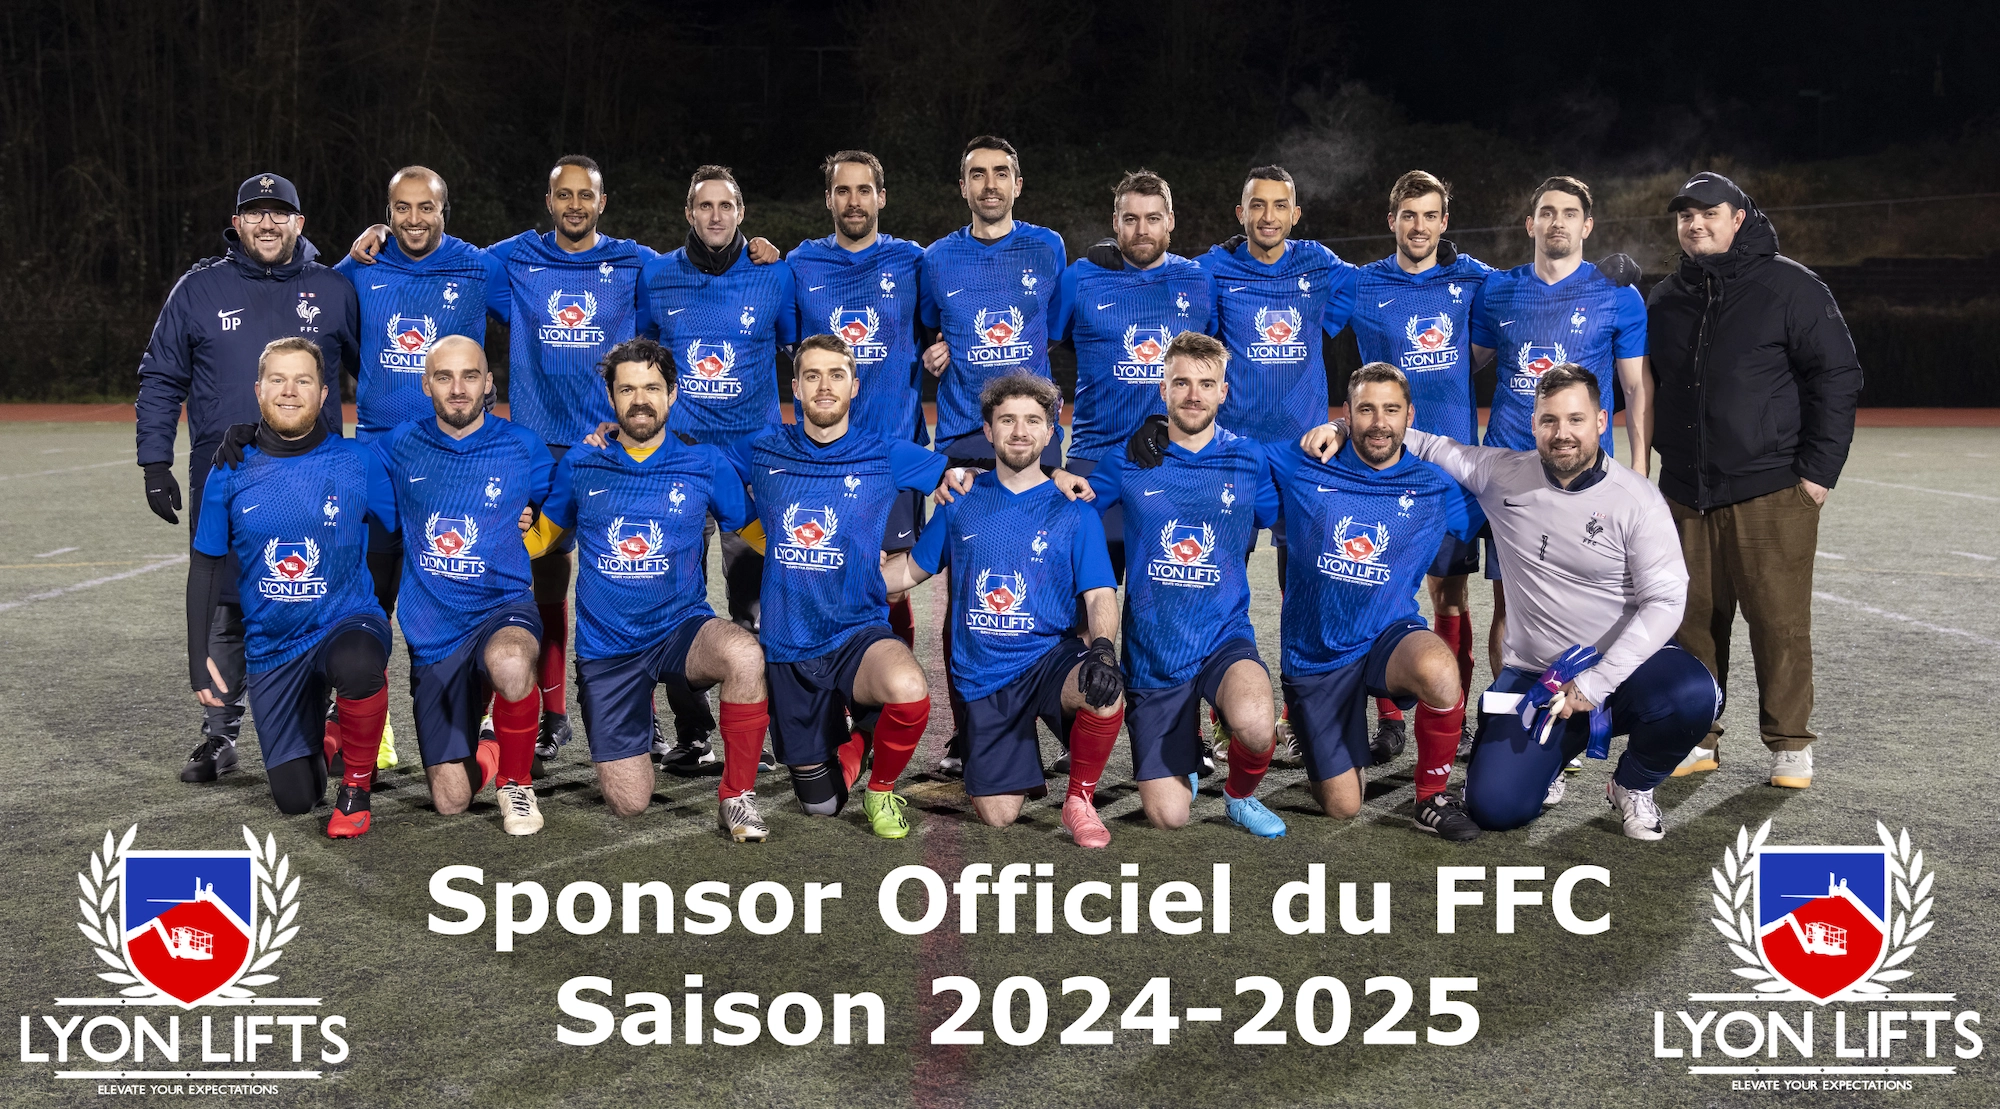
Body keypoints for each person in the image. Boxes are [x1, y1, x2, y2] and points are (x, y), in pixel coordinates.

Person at [1304, 364, 1721, 840]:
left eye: (1575, 419)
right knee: (1494, 808)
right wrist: (1341, 426)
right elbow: (1429, 444)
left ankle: (1633, 784)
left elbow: (1666, 600)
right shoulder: (1503, 473)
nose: (1562, 433)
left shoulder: (1638, 500)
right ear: (1534, 424)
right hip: (1539, 676)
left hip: (1619, 671)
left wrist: (1597, 682)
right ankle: (1552, 761)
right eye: (1549, 421)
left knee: (1694, 695)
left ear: (1602, 421)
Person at [138, 172, 361, 785]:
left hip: (317, 481)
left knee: (319, 597)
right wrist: (154, 462)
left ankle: (331, 728)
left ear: (300, 223)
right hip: (230, 474)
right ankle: (219, 734)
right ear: (236, 223)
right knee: (226, 606)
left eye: (279, 213)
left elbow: (383, 378)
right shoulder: (198, 289)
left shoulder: (334, 289)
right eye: (254, 213)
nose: (267, 223)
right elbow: (161, 377)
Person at [1647, 171, 1864, 789]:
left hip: (1770, 488)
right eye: (1685, 215)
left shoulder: (1790, 286)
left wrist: (1817, 475)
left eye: (1708, 212)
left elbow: (1838, 377)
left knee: (1778, 622)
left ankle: (1789, 743)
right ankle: (1698, 734)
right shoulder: (1665, 299)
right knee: (1690, 621)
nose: (1695, 223)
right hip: (1686, 490)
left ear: (1738, 217)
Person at [543, 338, 772, 840]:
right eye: (627, 389)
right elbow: (542, 539)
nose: (639, 399)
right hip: (608, 650)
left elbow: (756, 535)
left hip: (679, 628)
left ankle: (737, 796)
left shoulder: (706, 463)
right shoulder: (581, 463)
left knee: (744, 655)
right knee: (630, 803)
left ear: (673, 394)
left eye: (651, 387)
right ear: (611, 397)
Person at [885, 373, 1124, 847]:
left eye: (1033, 420)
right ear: (989, 431)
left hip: (1049, 660)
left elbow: (1100, 594)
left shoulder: (1074, 507)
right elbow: (910, 570)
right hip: (984, 674)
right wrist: (841, 582)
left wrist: (1101, 649)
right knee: (998, 816)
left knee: (1105, 692)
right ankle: (1016, 753)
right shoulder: (961, 501)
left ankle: (1080, 798)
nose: (1020, 431)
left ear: (1052, 432)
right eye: (1007, 420)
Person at [748, 335, 969, 840]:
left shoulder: (884, 452)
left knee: (910, 691)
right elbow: (698, 464)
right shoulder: (763, 448)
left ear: (855, 386)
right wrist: (605, 438)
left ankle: (881, 786)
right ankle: (859, 742)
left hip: (856, 632)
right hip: (789, 644)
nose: (825, 386)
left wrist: (1058, 477)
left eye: (836, 375)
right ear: (796, 388)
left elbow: (965, 482)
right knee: (821, 805)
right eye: (812, 376)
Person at [1083, 333, 1286, 837]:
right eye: (1181, 383)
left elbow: (1303, 483)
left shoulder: (1251, 458)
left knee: (1258, 725)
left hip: (1223, 634)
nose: (1193, 394)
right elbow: (1071, 507)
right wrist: (1058, 480)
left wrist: (1342, 428)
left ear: (1223, 392)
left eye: (1206, 384)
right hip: (1154, 650)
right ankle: (1184, 756)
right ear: (1163, 390)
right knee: (1168, 816)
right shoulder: (1127, 460)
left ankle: (1240, 796)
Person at [1264, 364, 1477, 838]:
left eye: (1391, 410)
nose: (1379, 422)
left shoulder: (1435, 485)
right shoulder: (1304, 463)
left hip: (1387, 636)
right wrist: (1160, 430)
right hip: (1315, 654)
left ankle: (1432, 798)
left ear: (1409, 417)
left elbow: (1514, 504)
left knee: (1439, 670)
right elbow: (1232, 456)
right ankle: (1333, 744)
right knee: (1343, 806)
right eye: (1365, 410)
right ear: (1346, 415)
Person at [187, 338, 388, 837]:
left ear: (324, 395)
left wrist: (377, 616)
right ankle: (328, 735)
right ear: (258, 391)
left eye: (303, 380)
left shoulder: (359, 462)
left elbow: (399, 538)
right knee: (296, 800)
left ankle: (356, 788)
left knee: (358, 663)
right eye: (277, 380)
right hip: (274, 646)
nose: (290, 391)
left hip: (345, 622)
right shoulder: (229, 469)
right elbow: (207, 565)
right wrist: (197, 658)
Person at [1468, 175, 1650, 703]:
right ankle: (1513, 718)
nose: (1557, 222)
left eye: (1569, 213)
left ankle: (1572, 715)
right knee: (1512, 608)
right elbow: (1460, 366)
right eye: (1547, 212)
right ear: (1530, 224)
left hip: (1586, 480)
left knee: (1588, 603)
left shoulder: (1617, 294)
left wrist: (1639, 468)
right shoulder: (1498, 289)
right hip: (1513, 476)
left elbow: (1637, 386)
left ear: (1587, 225)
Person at [362, 336, 553, 835]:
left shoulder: (523, 445)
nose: (458, 388)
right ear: (426, 384)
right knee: (451, 800)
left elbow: (563, 507)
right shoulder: (398, 445)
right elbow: (328, 464)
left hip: (501, 607)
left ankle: (517, 782)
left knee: (511, 662)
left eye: (470, 376)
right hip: (435, 631)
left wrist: (534, 523)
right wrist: (252, 434)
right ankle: (494, 741)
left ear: (488, 383)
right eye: (444, 377)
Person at [1198, 164, 1357, 765]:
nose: (1268, 216)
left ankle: (1299, 711)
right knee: (1217, 583)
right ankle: (1219, 716)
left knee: (1306, 590)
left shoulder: (1321, 267)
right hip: (1232, 457)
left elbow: (1388, 290)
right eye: (1256, 205)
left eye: (1279, 205)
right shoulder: (1213, 270)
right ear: (1240, 214)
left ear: (1295, 214)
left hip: (1303, 459)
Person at [1342, 171, 1494, 770]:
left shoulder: (1472, 278)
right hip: (1383, 461)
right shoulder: (1362, 284)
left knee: (1449, 596)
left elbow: (1528, 285)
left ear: (1444, 223)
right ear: (1392, 221)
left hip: (1450, 466)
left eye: (1431, 215)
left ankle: (1449, 715)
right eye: (1409, 215)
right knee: (1377, 579)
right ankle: (1386, 719)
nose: (1419, 226)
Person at [334, 166, 498, 628]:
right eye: (401, 208)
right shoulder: (362, 264)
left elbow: (536, 300)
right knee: (371, 590)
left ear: (444, 210)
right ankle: (367, 699)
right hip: (378, 451)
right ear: (388, 212)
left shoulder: (477, 266)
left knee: (451, 590)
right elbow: (313, 305)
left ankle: (461, 702)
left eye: (426, 207)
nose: (414, 218)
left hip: (452, 453)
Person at [642, 165, 798, 636]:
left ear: (741, 211)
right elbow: (641, 360)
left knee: (752, 602)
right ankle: (684, 713)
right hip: (679, 454)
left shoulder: (775, 274)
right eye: (705, 205)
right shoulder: (657, 274)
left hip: (752, 459)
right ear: (689, 212)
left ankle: (756, 705)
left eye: (725, 205)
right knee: (669, 595)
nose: (716, 215)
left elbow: (798, 352)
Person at [787, 150, 930, 650]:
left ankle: (889, 693)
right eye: (842, 190)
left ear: (881, 197)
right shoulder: (800, 264)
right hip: (823, 451)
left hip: (894, 449)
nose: (854, 201)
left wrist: (946, 344)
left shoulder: (913, 261)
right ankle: (833, 700)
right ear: (828, 199)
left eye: (863, 190)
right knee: (824, 571)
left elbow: (946, 320)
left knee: (891, 584)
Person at [1053, 168, 1217, 583]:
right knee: (1085, 606)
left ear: (1171, 221)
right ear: (1115, 223)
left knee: (1162, 604)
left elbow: (1211, 365)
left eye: (1153, 218)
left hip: (1172, 462)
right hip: (1093, 461)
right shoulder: (1080, 276)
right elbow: (1037, 349)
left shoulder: (1199, 280)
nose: (1142, 229)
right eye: (1131, 219)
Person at [919, 136, 1070, 469]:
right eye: (978, 174)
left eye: (1001, 174)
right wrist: (934, 354)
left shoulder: (1047, 247)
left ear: (1017, 185)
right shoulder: (936, 258)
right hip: (962, 434)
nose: (990, 185)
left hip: (1033, 432)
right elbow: (932, 330)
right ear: (963, 186)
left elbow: (1054, 332)